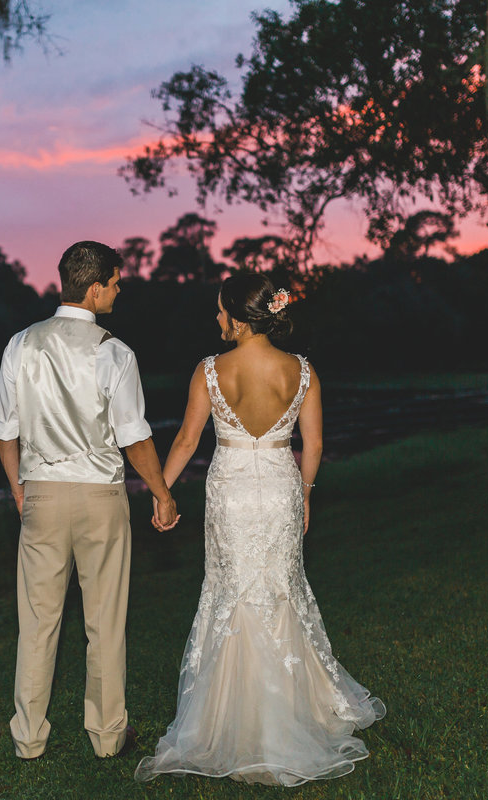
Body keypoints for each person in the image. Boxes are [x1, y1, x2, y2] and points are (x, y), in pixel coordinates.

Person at [135, 272, 385, 786]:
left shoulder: (209, 370)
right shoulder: (303, 370)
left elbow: (185, 440)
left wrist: (162, 492)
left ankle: (229, 719)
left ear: (241, 318)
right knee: (279, 590)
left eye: (220, 311)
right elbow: (312, 448)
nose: (216, 319)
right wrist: (306, 493)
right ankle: (297, 709)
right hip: (278, 489)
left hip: (229, 492)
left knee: (229, 590)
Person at [0, 240, 179, 761]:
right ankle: (107, 735)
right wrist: (161, 492)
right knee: (104, 621)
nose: (119, 291)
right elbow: (135, 438)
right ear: (95, 288)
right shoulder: (114, 352)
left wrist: (18, 489)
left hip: (42, 498)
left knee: (37, 621)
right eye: (116, 283)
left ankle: (28, 739)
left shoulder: (20, 344)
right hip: (100, 498)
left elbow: (5, 431)